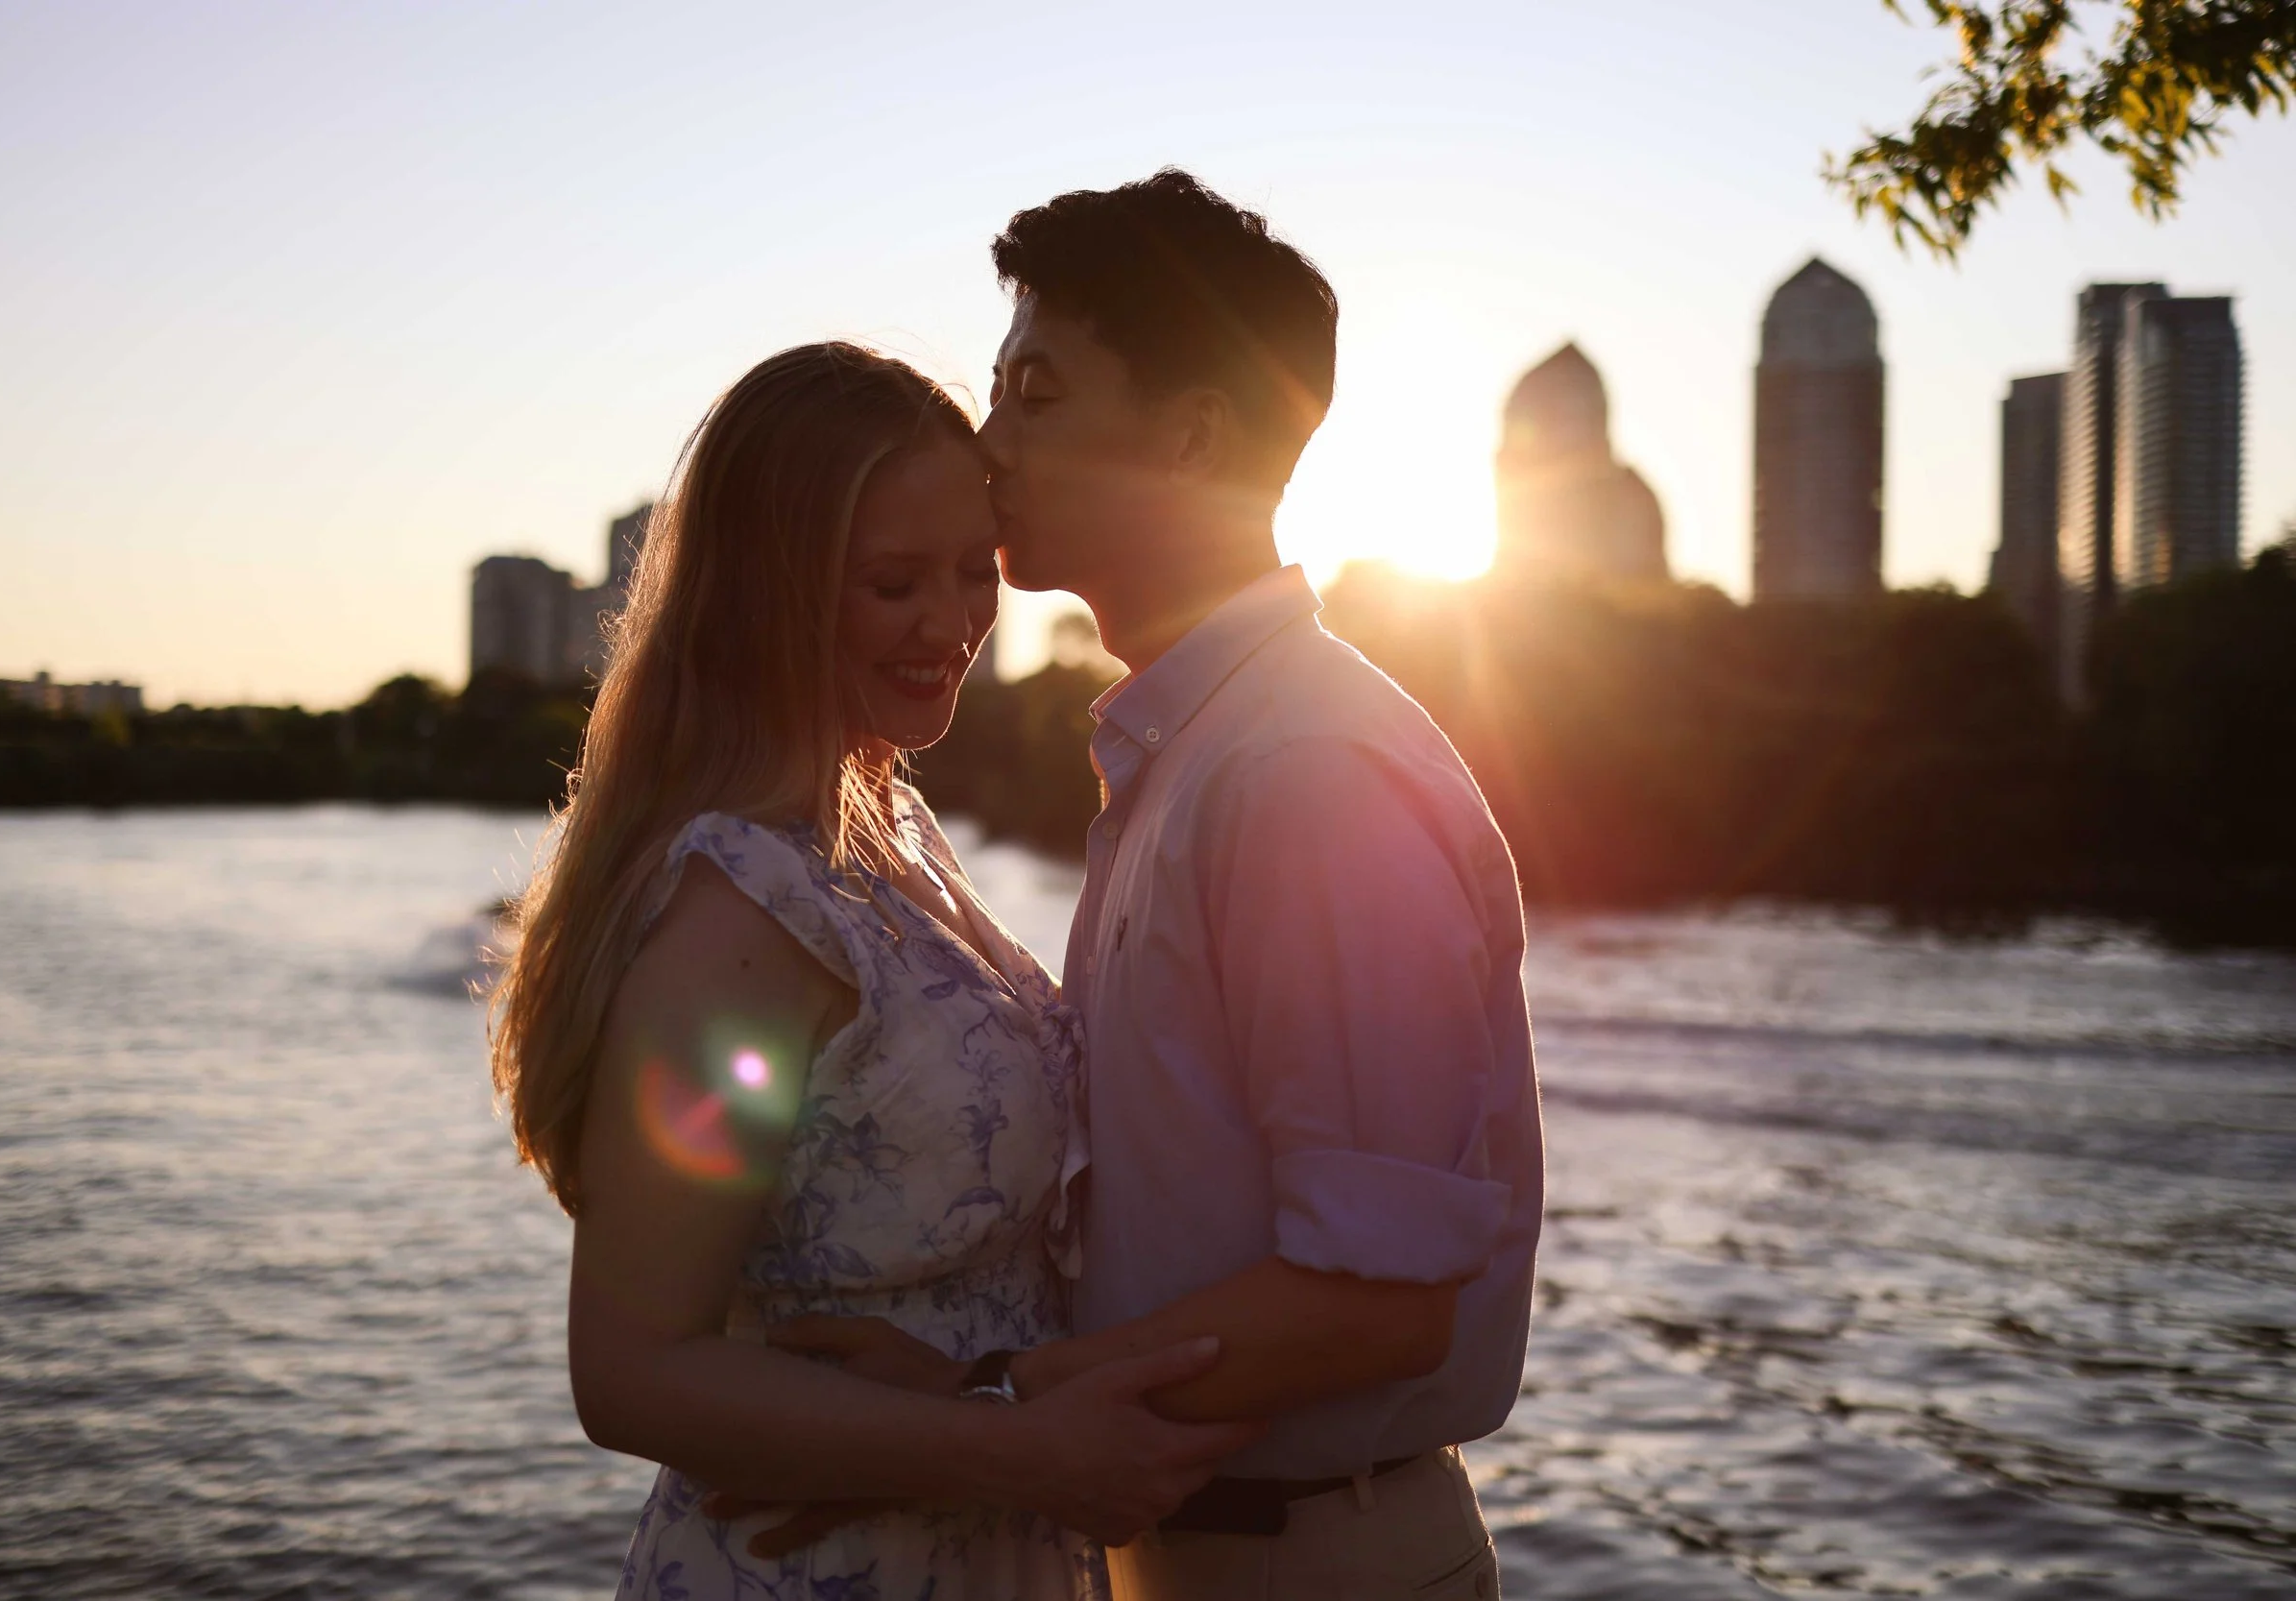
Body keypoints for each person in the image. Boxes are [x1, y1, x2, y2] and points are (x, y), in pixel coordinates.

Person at [763, 172, 1545, 1600]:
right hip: (1186, 1545)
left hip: (1313, 1562)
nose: (987, 445)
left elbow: (1376, 1297)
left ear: (1190, 436)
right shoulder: (1193, 752)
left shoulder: (1307, 773)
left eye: (1037, 395)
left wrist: (979, 1400)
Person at [488, 341, 1259, 1601]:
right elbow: (631, 1366)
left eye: (973, 572)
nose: (952, 624)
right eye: (895, 582)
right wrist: (1014, 1448)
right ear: (770, 593)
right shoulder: (740, 916)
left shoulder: (887, 825)